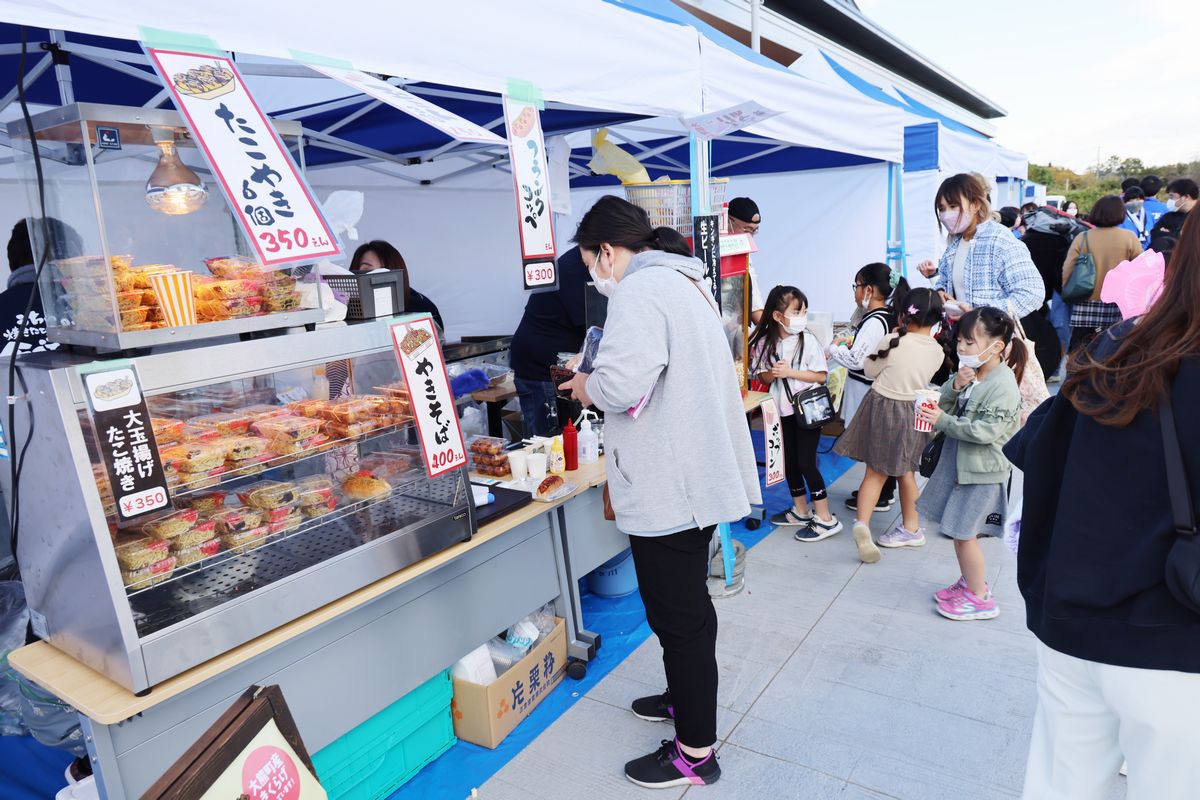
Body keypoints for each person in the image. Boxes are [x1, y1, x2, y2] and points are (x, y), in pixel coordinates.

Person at [559, 196, 759, 789]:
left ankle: (695, 753)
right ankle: (682, 699)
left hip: (672, 484)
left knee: (678, 617)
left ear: (605, 250)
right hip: (692, 474)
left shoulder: (641, 292)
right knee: (688, 611)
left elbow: (619, 385)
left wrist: (583, 382)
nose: (596, 274)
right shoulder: (683, 280)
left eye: (592, 262)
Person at [1005, 209, 1200, 799]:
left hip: (1075, 625)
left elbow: (1037, 465)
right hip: (1176, 646)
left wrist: (1044, 593)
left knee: (1062, 787)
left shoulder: (1115, 347)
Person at [917, 307, 1023, 621]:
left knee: (964, 533)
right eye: (960, 341)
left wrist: (943, 420)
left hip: (981, 473)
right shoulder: (974, 374)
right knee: (959, 531)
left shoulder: (1002, 386)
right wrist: (955, 386)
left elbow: (986, 432)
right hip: (963, 466)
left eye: (969, 342)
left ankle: (980, 598)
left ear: (997, 346)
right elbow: (945, 402)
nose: (961, 348)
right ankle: (970, 582)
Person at [835, 288, 947, 564]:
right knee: (907, 471)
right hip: (914, 410)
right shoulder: (937, 351)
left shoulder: (893, 340)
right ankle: (911, 527)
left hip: (883, 406)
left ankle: (862, 524)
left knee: (875, 472)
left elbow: (870, 370)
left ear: (904, 313)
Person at [749, 285, 840, 539]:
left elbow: (820, 376)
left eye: (804, 311)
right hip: (782, 410)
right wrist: (773, 372)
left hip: (808, 411)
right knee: (789, 461)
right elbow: (761, 375)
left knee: (806, 462)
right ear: (778, 316)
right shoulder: (764, 342)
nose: (803, 316)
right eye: (798, 311)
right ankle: (801, 509)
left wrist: (790, 373)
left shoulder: (807, 340)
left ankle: (825, 518)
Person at [828, 262, 907, 513]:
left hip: (866, 389)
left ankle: (880, 494)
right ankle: (882, 490)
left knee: (873, 444)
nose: (855, 292)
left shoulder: (875, 321)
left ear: (869, 290)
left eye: (857, 286)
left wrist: (832, 348)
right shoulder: (884, 316)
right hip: (872, 387)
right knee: (876, 441)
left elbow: (856, 360)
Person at [916, 173, 1044, 323]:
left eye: (953, 206)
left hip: (993, 339)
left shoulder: (1000, 240)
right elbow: (945, 281)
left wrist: (980, 314)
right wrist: (941, 291)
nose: (946, 214)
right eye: (942, 208)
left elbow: (1032, 293)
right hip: (961, 337)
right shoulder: (954, 243)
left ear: (976, 204)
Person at [508, 246, 588, 436]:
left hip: (551, 363)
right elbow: (594, 325)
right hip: (541, 369)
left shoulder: (583, 261)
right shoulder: (574, 267)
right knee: (549, 443)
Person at [1061, 195, 1142, 353]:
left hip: (1085, 299)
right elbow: (1141, 269)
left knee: (1080, 348)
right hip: (1118, 303)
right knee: (1112, 347)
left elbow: (1068, 268)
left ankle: (1076, 375)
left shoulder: (1083, 237)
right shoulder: (1130, 238)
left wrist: (1068, 290)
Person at [1021, 207, 1090, 374]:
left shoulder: (1025, 240)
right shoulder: (1066, 239)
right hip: (1061, 289)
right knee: (1060, 327)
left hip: (1032, 291)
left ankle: (1042, 366)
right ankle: (1055, 367)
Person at [349, 240, 444, 331]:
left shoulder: (420, 307)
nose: (374, 277)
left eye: (383, 271)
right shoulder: (343, 308)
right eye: (366, 269)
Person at [727, 197, 766, 326]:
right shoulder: (711, 249)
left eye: (754, 230)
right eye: (747, 229)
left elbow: (753, 296)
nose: (750, 235)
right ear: (728, 221)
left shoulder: (744, 250)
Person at [1149, 177, 1198, 262]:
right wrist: (1177, 235)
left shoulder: (1196, 217)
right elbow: (1154, 233)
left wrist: (1170, 234)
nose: (1169, 201)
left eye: (1172, 197)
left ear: (1186, 197)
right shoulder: (1169, 216)